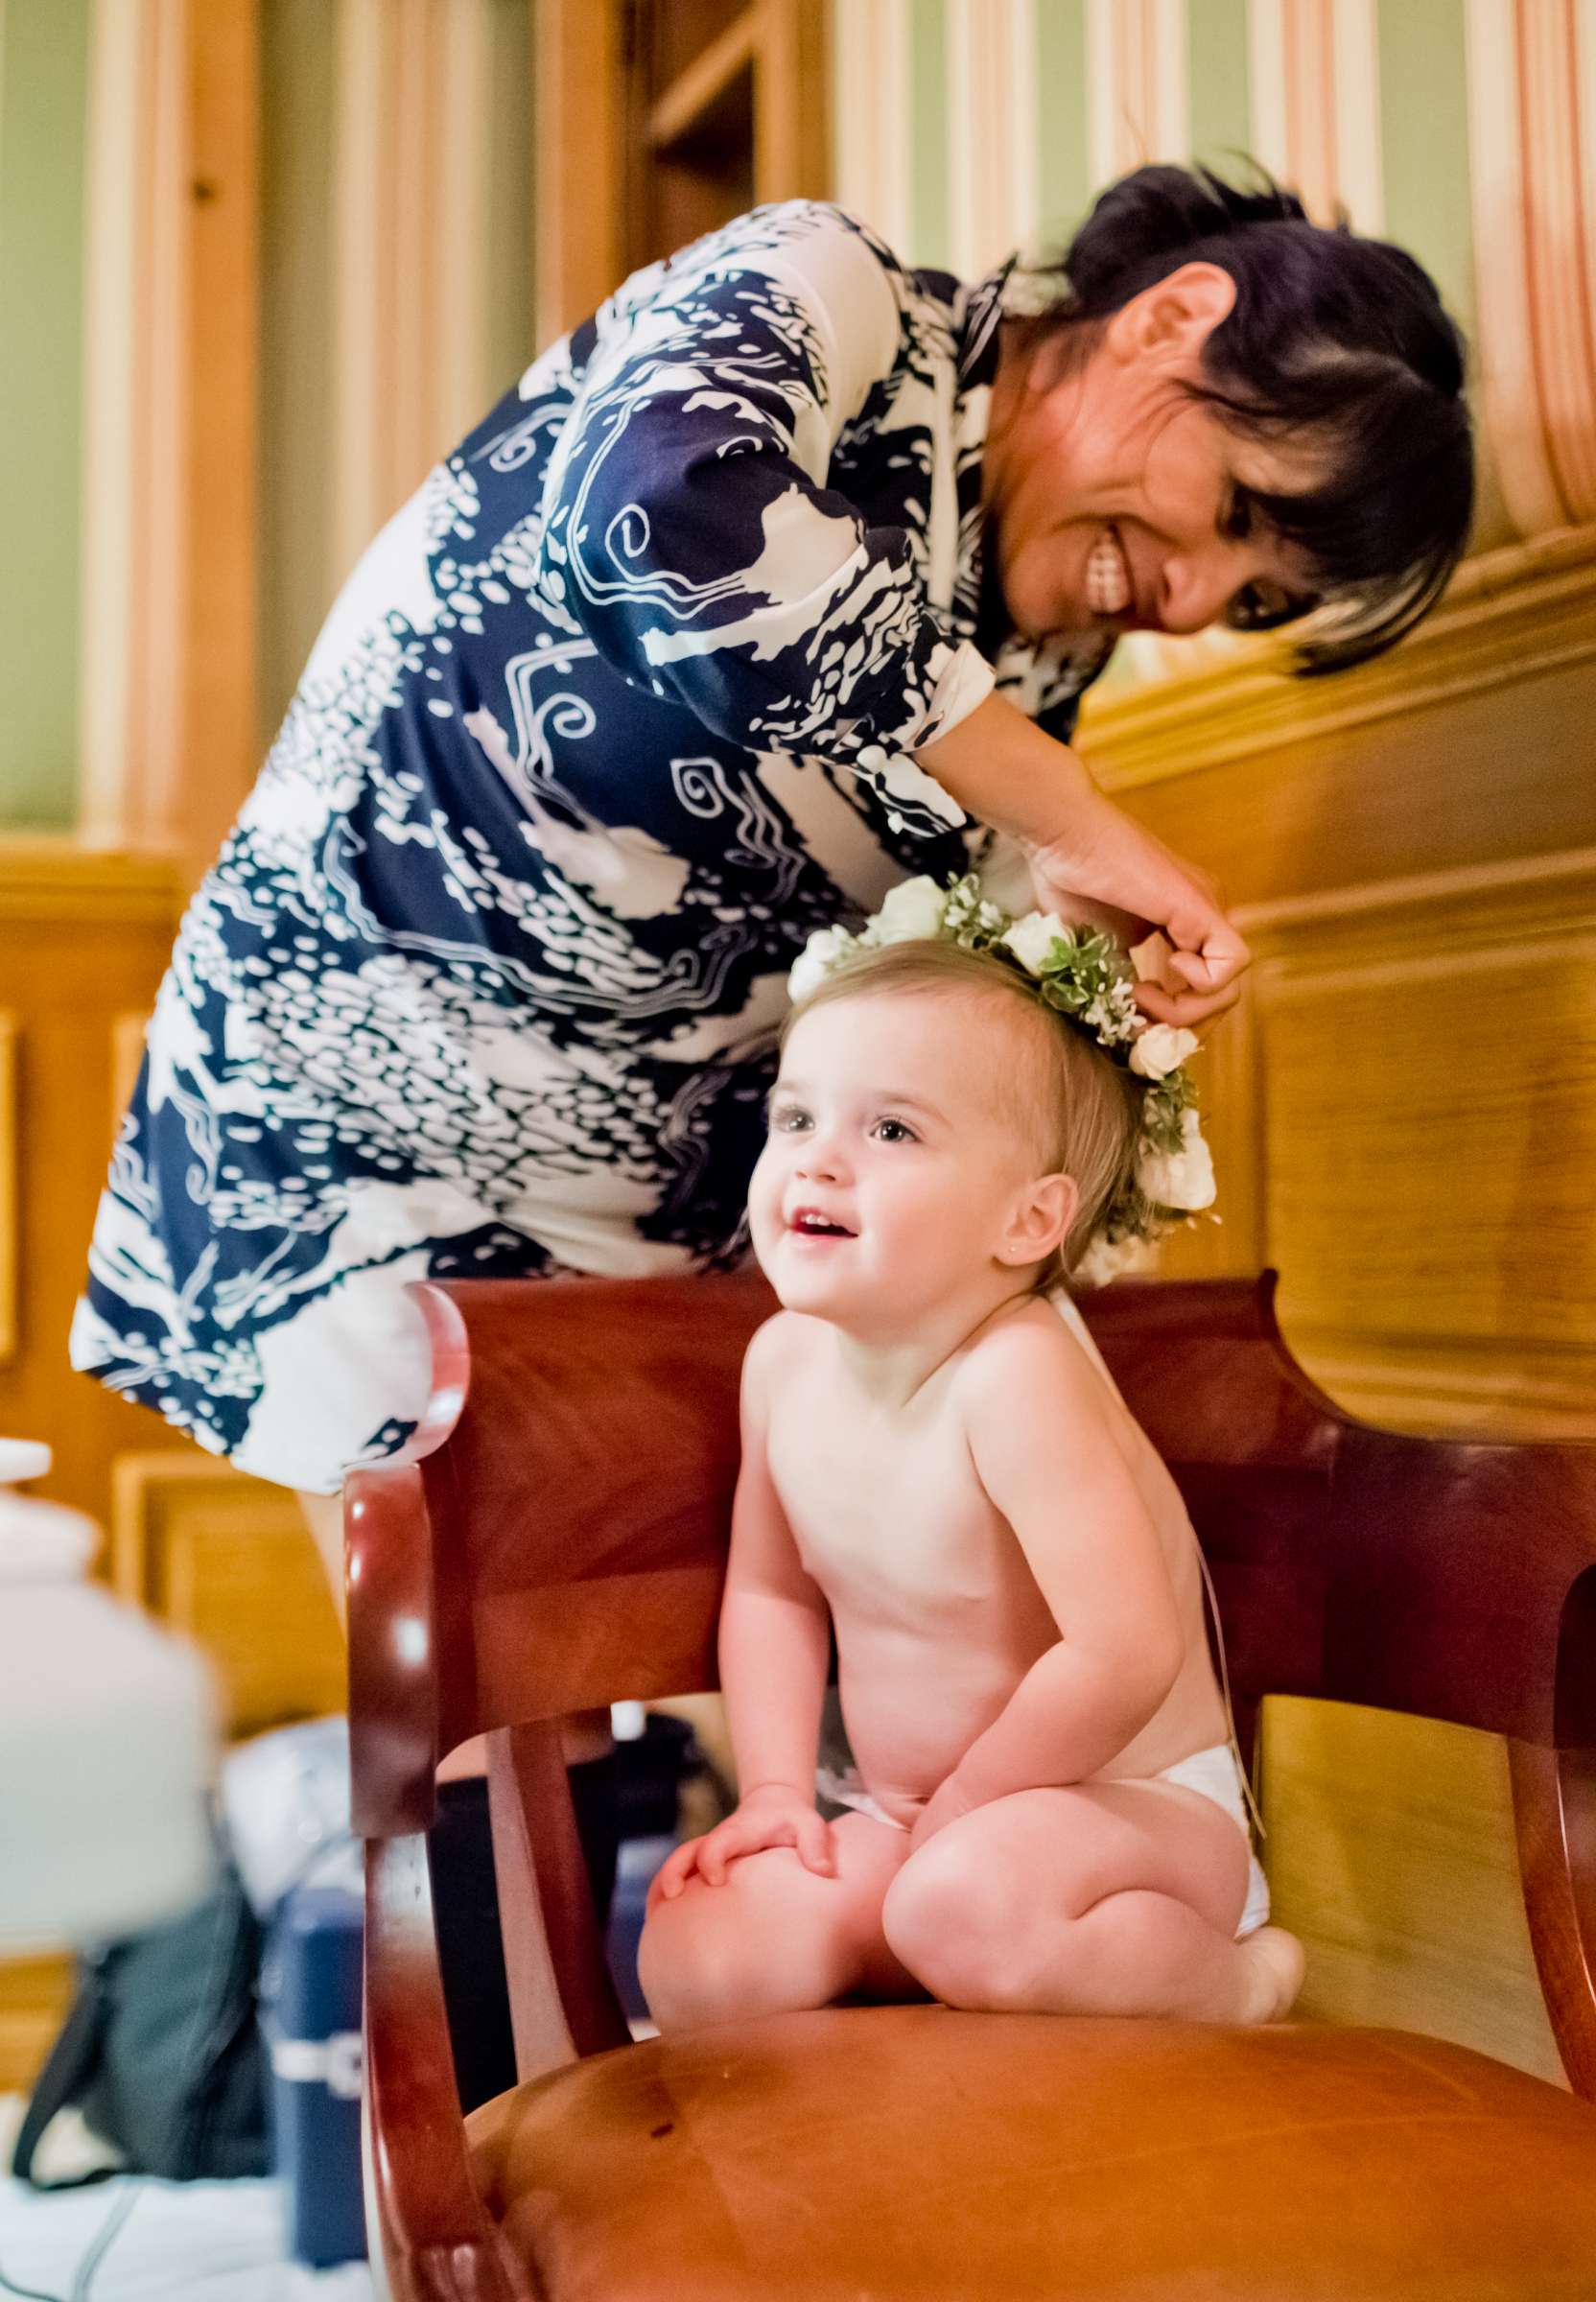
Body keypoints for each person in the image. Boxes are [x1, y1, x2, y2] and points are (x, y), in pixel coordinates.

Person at [71, 165, 1472, 1524]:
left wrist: (1072, 974)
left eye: (1251, 600)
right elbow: (661, 512)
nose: (1193, 592)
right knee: (469, 1708)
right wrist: (1061, 808)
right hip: (368, 1101)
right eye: (1232, 508)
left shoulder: (1043, 657)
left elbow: (901, 927)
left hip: (673, 1202)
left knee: (656, 1676)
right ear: (1171, 320)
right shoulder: (832, 289)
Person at [638, 884, 1304, 2029]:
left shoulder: (1016, 1374)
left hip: (1117, 1811)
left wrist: (968, 1808)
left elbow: (1122, 1651)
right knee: (707, 1958)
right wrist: (778, 1795)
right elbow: (769, 1589)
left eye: (889, 1130)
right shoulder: (782, 1362)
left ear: (1027, 1222)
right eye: (795, 1119)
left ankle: (1235, 1978)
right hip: (914, 1816)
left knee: (964, 1905)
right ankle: (948, 1954)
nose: (819, 1163)